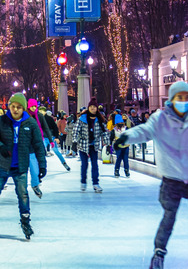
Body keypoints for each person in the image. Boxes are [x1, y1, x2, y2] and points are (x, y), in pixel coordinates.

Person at [113, 81, 188, 269]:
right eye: (180, 97)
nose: (184, 101)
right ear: (172, 99)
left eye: (187, 97)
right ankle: (159, 253)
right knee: (169, 215)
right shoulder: (160, 119)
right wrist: (125, 138)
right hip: (171, 178)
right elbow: (144, 131)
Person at [0, 93, 46, 240]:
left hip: (20, 166)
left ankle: (25, 222)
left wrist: (42, 165)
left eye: (18, 107)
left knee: (23, 195)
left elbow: (38, 145)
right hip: (1, 165)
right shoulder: (1, 121)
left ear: (23, 108)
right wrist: (0, 147)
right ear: (9, 107)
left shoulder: (30, 123)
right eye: (13, 107)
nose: (15, 110)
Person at [73, 98, 107, 193]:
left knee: (95, 164)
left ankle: (95, 183)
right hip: (83, 145)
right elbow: (76, 130)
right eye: (91, 107)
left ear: (96, 108)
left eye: (94, 107)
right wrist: (75, 142)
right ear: (88, 108)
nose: (92, 109)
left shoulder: (99, 119)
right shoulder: (82, 118)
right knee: (84, 164)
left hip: (94, 145)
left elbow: (104, 132)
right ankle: (83, 182)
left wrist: (107, 143)